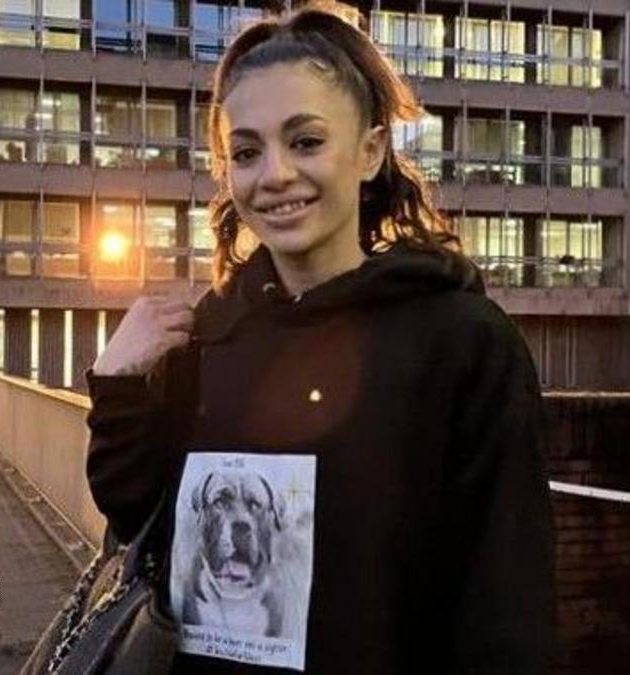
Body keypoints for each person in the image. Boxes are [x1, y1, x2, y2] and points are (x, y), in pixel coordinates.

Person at [85, 2, 554, 673]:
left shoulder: (462, 345)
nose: (275, 174)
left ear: (370, 151)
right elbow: (137, 520)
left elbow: (506, 606)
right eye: (247, 152)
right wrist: (120, 384)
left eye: (305, 142)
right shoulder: (208, 335)